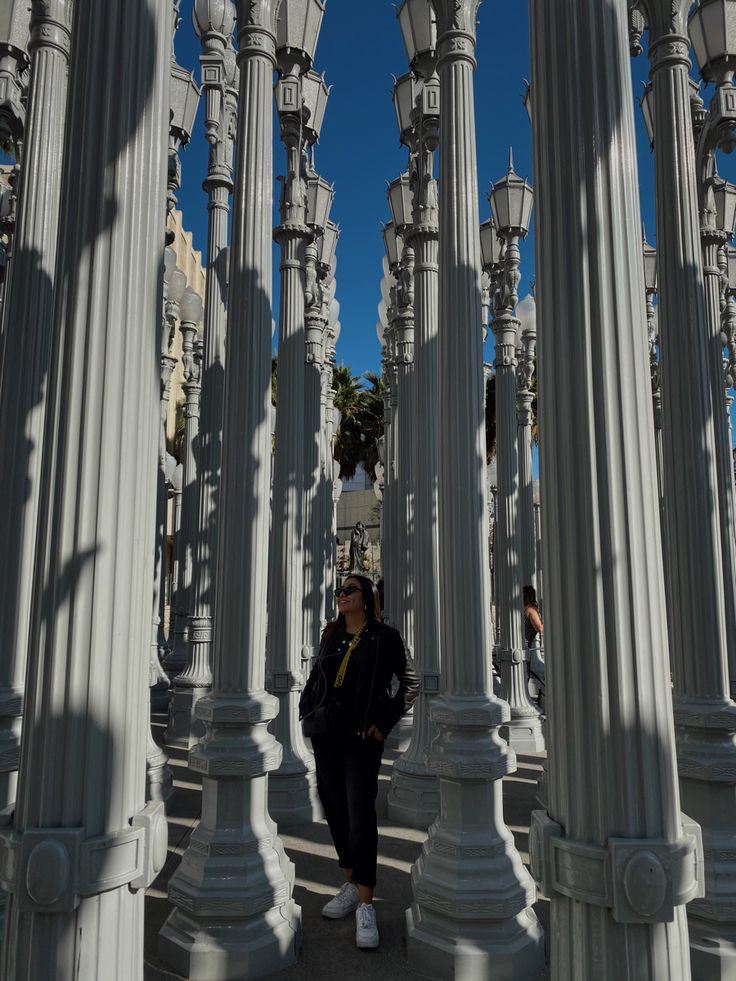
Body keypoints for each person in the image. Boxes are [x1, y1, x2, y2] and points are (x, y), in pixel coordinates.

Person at [299, 574, 419, 950]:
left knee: (360, 812)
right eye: (338, 590)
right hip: (326, 734)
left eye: (348, 590)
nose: (340, 594)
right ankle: (351, 882)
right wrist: (310, 707)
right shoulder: (331, 633)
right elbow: (320, 676)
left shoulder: (386, 637)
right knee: (334, 808)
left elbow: (410, 682)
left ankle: (366, 903)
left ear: (366, 598)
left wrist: (383, 724)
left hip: (361, 738)